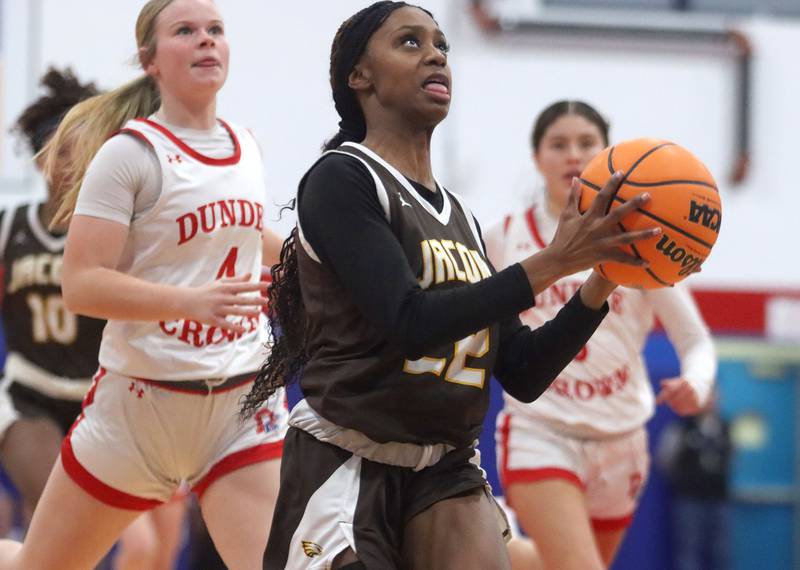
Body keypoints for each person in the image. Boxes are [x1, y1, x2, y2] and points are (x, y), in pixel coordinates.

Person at [241, 4, 661, 569]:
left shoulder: (460, 215)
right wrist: (554, 261)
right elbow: (409, 322)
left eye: (441, 43)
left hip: (446, 469)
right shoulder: (342, 179)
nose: (436, 53)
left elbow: (524, 369)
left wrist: (600, 280)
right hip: (346, 460)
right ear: (359, 77)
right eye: (410, 43)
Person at [0, 1, 287, 569]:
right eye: (186, 31)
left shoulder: (246, 145)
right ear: (150, 60)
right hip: (139, 408)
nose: (206, 41)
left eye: (216, 30)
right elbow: (80, 285)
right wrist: (191, 302)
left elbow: (254, 236)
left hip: (238, 402)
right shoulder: (127, 155)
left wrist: (327, 265)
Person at [486, 100, 718, 570]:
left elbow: (694, 339)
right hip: (541, 429)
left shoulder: (644, 241)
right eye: (559, 144)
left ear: (606, 154)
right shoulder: (503, 237)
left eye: (586, 143)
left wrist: (698, 382)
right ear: (537, 158)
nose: (573, 154)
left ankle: (493, 555)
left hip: (623, 437)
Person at [0, 66, 190, 570]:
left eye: (79, 150)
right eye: (59, 149)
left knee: (145, 547)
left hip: (103, 399)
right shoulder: (9, 227)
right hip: (29, 394)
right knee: (50, 521)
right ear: (39, 157)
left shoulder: (113, 229)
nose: (68, 162)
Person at [656, 392, 731, 570]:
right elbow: (665, 461)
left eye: (713, 398)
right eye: (706, 399)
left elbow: (732, 457)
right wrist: (686, 478)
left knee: (722, 550)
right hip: (689, 499)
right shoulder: (681, 428)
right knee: (689, 550)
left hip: (719, 499)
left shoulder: (725, 427)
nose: (710, 402)